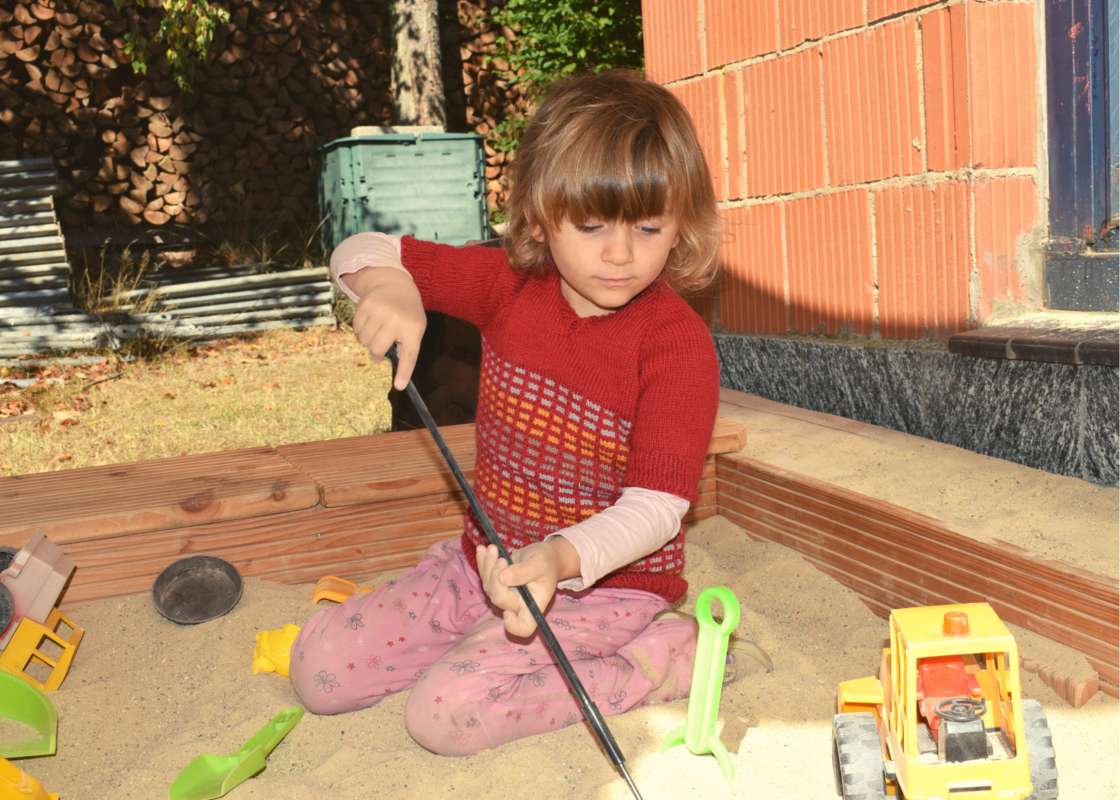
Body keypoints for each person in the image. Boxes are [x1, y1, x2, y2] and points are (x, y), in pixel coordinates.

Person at [288, 69, 772, 757]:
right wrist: (392, 285)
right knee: (319, 672)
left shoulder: (676, 345)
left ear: (681, 227)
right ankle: (475, 632)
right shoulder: (510, 286)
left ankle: (669, 658)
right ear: (540, 217)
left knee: (443, 716)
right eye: (591, 224)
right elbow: (358, 249)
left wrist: (560, 557)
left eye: (648, 226)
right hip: (479, 565)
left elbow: (659, 508)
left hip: (603, 590)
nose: (619, 253)